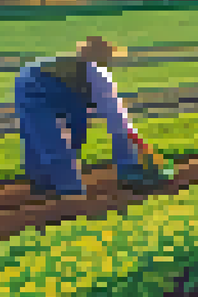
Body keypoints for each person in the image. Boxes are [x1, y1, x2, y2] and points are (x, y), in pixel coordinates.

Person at [15, 36, 155, 198]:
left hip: (33, 84)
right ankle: (70, 192)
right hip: (33, 90)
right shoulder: (98, 77)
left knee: (39, 137)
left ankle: (43, 182)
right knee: (52, 141)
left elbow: (94, 119)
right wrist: (130, 163)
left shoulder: (81, 69)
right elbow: (118, 123)